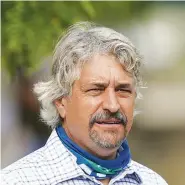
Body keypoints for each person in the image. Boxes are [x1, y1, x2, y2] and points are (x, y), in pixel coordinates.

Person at [1, 22, 168, 185]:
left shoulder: (152, 181)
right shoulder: (17, 181)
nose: (112, 105)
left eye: (123, 90)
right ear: (60, 101)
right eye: (96, 89)